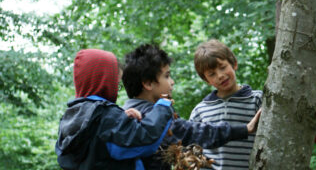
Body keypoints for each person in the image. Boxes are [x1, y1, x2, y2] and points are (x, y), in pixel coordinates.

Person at [122, 44, 261, 170]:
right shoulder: (151, 116)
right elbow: (191, 132)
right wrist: (244, 129)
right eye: (167, 76)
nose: (172, 82)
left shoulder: (129, 113)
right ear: (148, 84)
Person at [55, 49, 174, 170]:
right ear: (104, 82)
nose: (116, 91)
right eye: (116, 85)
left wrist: (122, 118)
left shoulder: (72, 117)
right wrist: (163, 106)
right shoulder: (104, 116)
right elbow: (146, 140)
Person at [189, 39, 263, 170]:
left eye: (223, 67)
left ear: (234, 64)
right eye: (212, 74)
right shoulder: (200, 111)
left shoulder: (257, 100)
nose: (220, 75)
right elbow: (192, 153)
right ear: (206, 80)